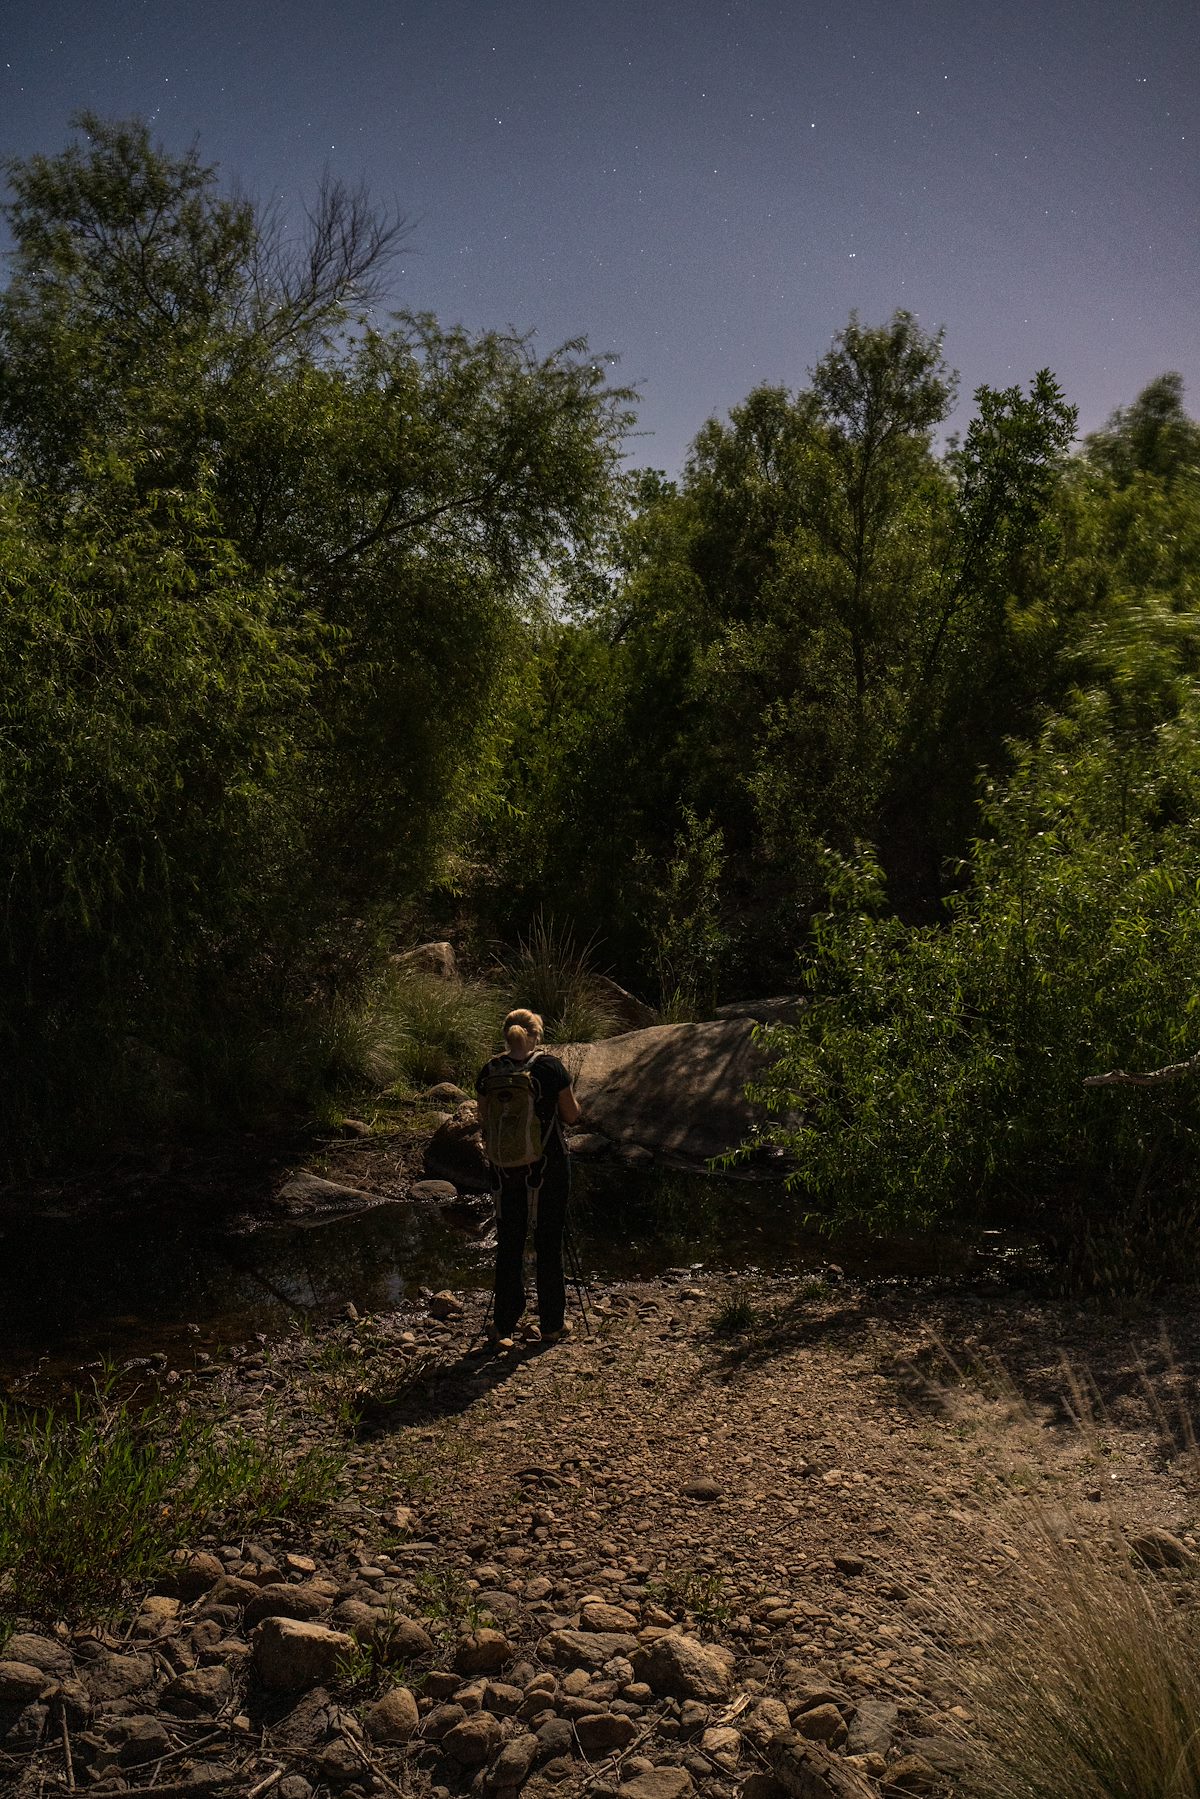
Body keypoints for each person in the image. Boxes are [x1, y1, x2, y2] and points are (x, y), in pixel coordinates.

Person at [474, 1008, 581, 1350]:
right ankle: (551, 1324)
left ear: (507, 1035)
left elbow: (484, 1120)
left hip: (505, 1171)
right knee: (548, 1241)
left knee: (509, 1242)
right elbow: (572, 1115)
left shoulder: (489, 1072)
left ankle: (504, 1323)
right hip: (547, 1166)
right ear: (537, 1035)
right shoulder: (550, 1067)